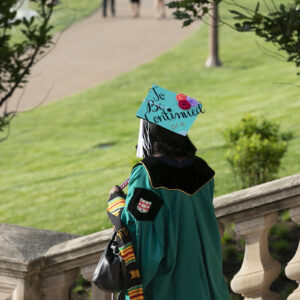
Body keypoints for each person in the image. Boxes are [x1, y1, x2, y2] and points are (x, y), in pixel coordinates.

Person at [107, 85, 231, 300]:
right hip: (205, 271)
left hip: (171, 279)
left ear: (152, 133)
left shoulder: (148, 174)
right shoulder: (203, 170)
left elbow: (138, 229)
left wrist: (115, 200)